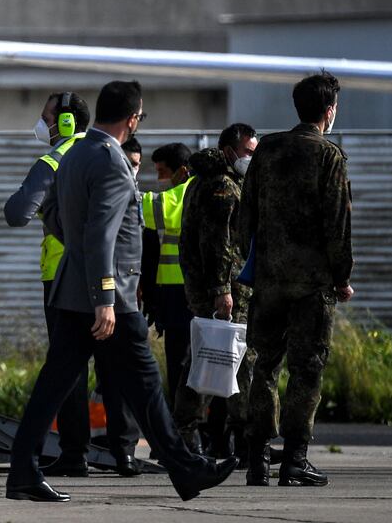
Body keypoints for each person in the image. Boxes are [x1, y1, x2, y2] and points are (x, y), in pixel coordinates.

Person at [6, 80, 236, 503]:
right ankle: (187, 470)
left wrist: (78, 258)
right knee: (143, 384)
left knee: (59, 386)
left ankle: (24, 470)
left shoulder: (71, 154)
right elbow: (101, 235)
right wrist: (105, 299)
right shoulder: (111, 161)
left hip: (75, 290)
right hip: (108, 297)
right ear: (132, 119)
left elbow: (55, 214)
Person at [4, 92, 140, 477]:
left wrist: (50, 212)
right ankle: (125, 452)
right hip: (113, 276)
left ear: (64, 122)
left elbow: (16, 213)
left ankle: (74, 452)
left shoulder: (55, 159)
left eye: (47, 116)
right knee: (118, 364)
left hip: (64, 278)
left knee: (68, 368)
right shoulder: (109, 154)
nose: (41, 122)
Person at [240, 73, 353, 487]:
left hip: (268, 281)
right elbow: (338, 225)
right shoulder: (329, 156)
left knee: (263, 366)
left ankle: (256, 460)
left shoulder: (267, 148)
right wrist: (342, 277)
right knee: (307, 368)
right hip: (311, 285)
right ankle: (295, 460)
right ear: (329, 111)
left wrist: (249, 266)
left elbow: (245, 213)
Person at [176, 123, 258, 460]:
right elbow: (219, 243)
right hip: (222, 292)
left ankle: (241, 438)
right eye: (248, 152)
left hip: (215, 288)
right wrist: (222, 290)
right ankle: (186, 434)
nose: (252, 158)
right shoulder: (221, 186)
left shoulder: (208, 180)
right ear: (229, 151)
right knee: (213, 361)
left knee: (223, 360)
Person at [143, 143, 196, 432]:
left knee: (181, 365)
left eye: (163, 172)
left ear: (182, 171)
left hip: (181, 292)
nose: (160, 178)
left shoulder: (186, 194)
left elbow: (148, 209)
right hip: (175, 292)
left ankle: (183, 431)